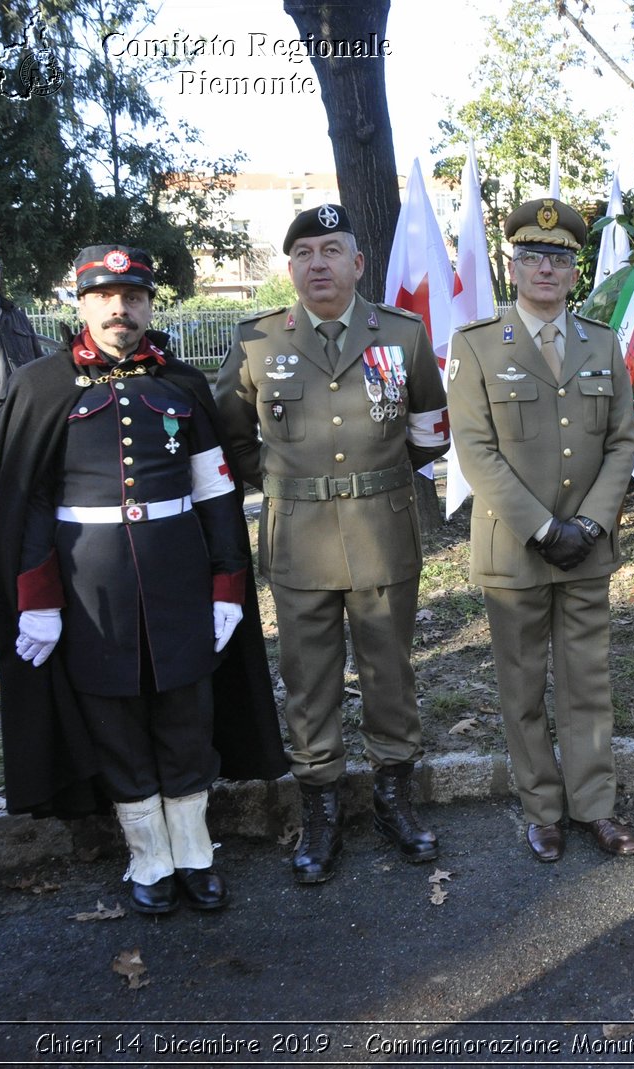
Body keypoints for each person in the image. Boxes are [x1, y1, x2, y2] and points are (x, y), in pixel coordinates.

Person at [0, 245, 285, 914]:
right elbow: (28, 503)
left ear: (151, 304)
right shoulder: (40, 385)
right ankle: (148, 859)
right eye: (104, 296)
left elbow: (215, 492)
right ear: (82, 302)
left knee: (187, 716)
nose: (120, 308)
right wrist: (37, 601)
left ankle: (195, 854)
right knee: (116, 722)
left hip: (179, 583)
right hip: (91, 594)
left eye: (134, 296)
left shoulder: (181, 384)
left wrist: (227, 585)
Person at [216, 205, 450, 883]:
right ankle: (319, 808)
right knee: (309, 681)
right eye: (304, 253)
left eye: (331, 250)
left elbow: (430, 427)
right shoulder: (258, 341)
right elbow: (231, 434)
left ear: (358, 262)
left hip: (384, 532)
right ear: (289, 268)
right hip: (299, 541)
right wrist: (291, 483)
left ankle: (392, 797)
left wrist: (378, 482)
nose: (317, 263)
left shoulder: (401, 334)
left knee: (390, 671)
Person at [447, 197, 634, 862]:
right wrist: (541, 527)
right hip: (515, 551)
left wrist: (588, 521)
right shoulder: (475, 347)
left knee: (587, 682)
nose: (546, 270)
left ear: (574, 270)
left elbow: (622, 441)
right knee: (523, 686)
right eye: (532, 257)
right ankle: (542, 808)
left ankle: (595, 806)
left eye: (559, 259)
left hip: (586, 548)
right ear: (512, 265)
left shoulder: (601, 342)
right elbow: (476, 451)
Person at [0, 248, 49, 568]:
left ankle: (24, 543)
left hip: (24, 417)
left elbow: (35, 360)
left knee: (27, 483)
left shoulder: (15, 314)